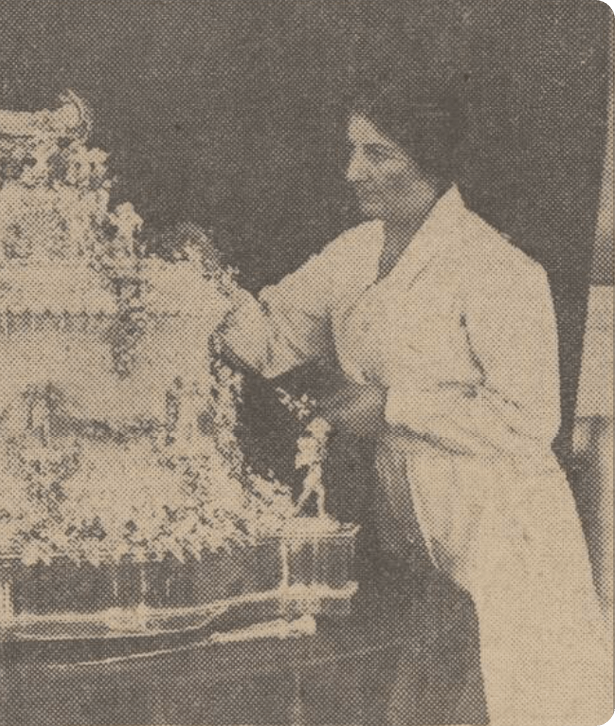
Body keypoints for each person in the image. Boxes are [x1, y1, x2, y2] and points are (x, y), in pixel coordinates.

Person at [218, 72, 613, 725]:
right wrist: (201, 289)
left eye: (378, 154)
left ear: (429, 161)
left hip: (507, 542)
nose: (353, 171)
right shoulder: (353, 253)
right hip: (420, 545)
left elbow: (528, 420)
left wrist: (391, 407)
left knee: (519, 704)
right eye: (352, 150)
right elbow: (268, 342)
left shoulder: (494, 268)